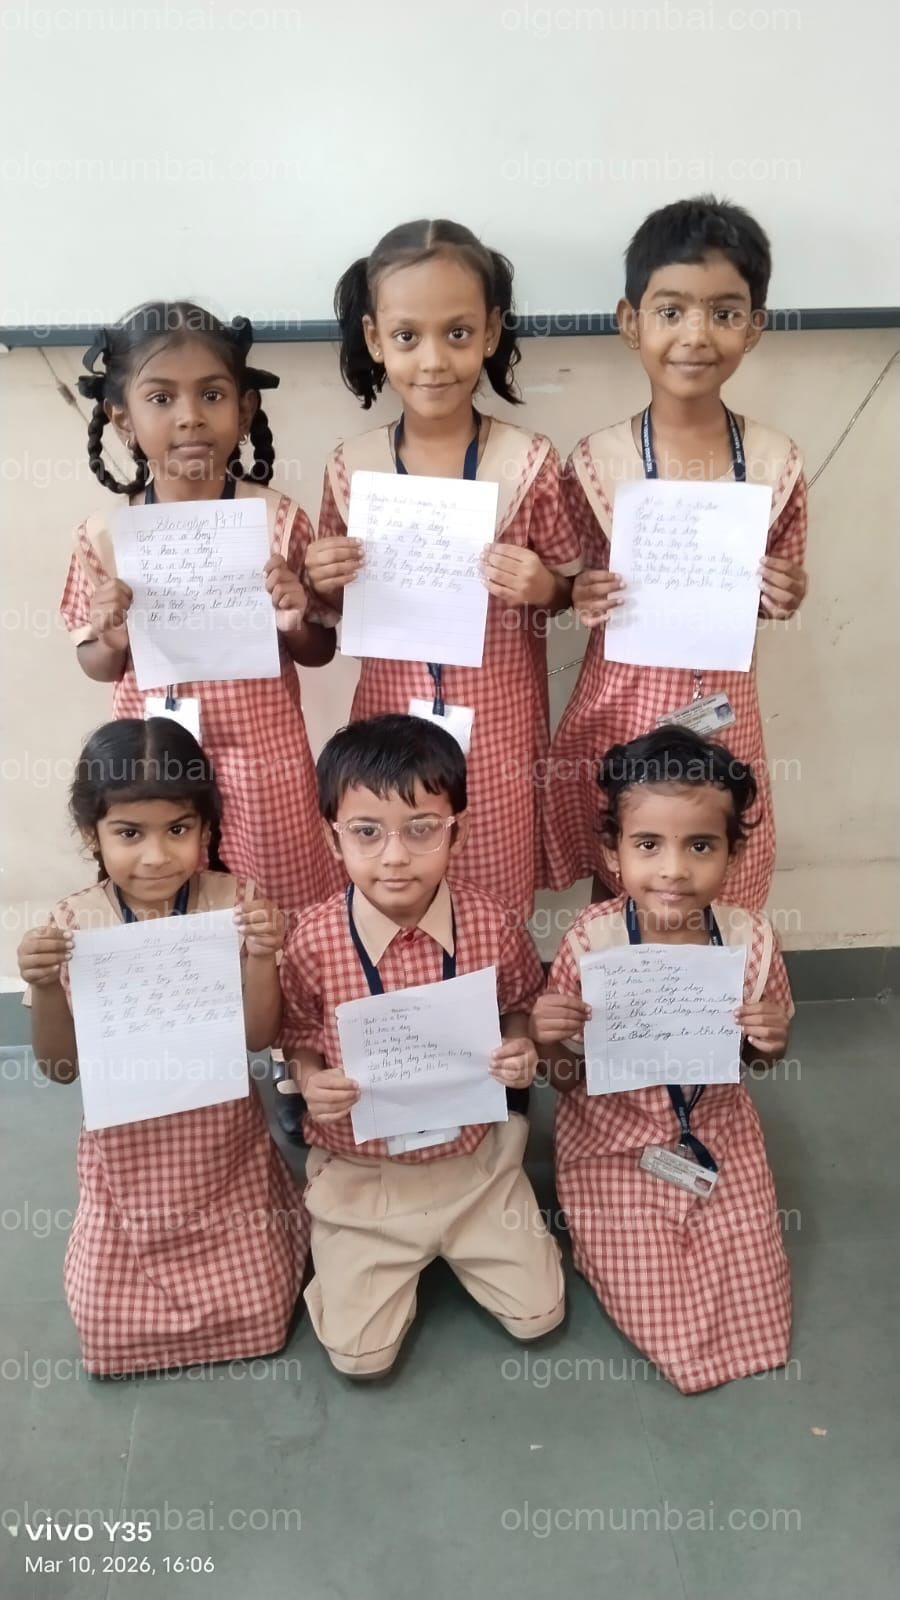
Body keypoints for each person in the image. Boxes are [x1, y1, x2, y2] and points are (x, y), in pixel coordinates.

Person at [305, 219, 581, 920]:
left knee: (492, 882)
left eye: (457, 333)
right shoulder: (352, 465)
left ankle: (496, 985)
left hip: (498, 721)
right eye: (407, 336)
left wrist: (545, 586)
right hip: (387, 721)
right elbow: (329, 618)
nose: (433, 360)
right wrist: (323, 578)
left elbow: (568, 592)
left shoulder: (529, 460)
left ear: (490, 332)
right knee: (395, 873)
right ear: (375, 339)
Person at [17, 719, 308, 1376]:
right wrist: (46, 984)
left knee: (260, 1308)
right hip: (127, 1159)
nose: (156, 856)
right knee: (105, 1320)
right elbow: (60, 1069)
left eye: (178, 829)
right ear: (91, 834)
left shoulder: (235, 903)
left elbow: (259, 1038)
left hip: (223, 1148)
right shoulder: (73, 924)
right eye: (129, 833)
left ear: (206, 827)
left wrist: (262, 955)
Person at [279, 714, 565, 1376]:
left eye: (421, 829)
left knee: (541, 1315)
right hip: (365, 1173)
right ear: (331, 838)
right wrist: (311, 1079)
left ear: (457, 832)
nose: (395, 856)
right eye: (366, 832)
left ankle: (493, 1201)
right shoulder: (312, 941)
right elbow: (296, 1036)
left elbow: (520, 1004)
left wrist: (520, 1048)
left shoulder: (493, 924)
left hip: (474, 1162)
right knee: (359, 1358)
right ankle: (348, 1233)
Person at [542, 197, 808, 909]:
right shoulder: (596, 460)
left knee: (716, 863)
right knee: (623, 863)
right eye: (670, 311)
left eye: (724, 312)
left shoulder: (777, 461)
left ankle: (713, 983)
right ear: (631, 322)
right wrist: (578, 593)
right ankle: (620, 976)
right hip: (621, 708)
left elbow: (779, 588)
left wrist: (787, 593)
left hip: (723, 713)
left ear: (754, 326)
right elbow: (569, 583)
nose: (696, 335)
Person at [60, 300, 342, 921]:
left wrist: (295, 619)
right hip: (153, 765)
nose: (190, 416)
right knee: (170, 901)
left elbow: (319, 650)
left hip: (264, 762)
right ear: (122, 418)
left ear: (244, 410)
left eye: (212, 395)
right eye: (161, 398)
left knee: (274, 906)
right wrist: (111, 637)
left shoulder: (278, 520)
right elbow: (97, 664)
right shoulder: (105, 534)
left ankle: (277, 985)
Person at [532, 726, 794, 1392]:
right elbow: (566, 1080)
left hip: (717, 1131)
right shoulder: (590, 941)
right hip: (611, 1137)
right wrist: (549, 1038)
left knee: (752, 1285)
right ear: (613, 853)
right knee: (659, 1300)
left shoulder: (753, 940)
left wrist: (770, 1043)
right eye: (648, 844)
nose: (674, 870)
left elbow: (757, 1062)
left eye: (700, 845)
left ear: (734, 853)